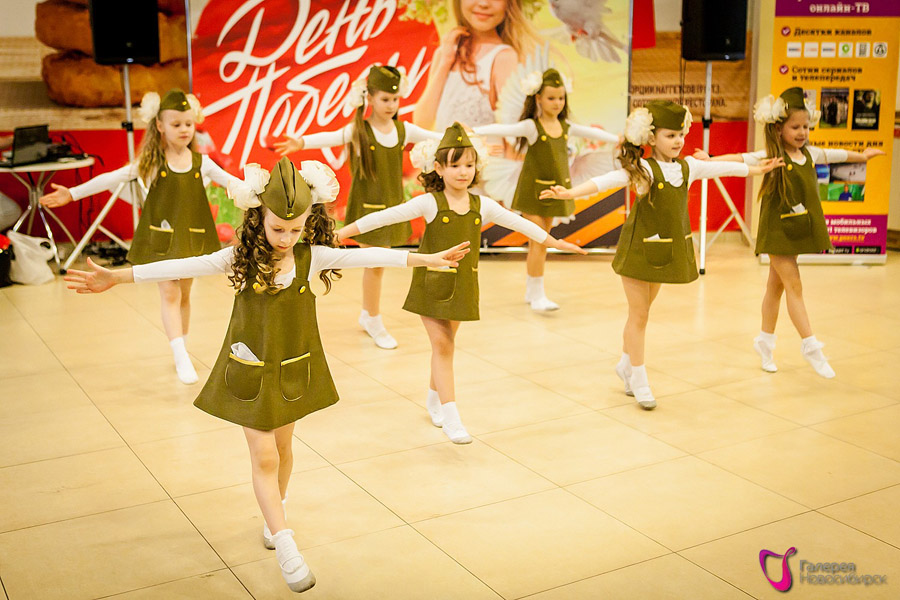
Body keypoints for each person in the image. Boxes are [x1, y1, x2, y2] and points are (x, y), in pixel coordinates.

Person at [62, 157, 469, 593]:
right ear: (259, 218)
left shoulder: (312, 257)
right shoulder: (237, 258)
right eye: (278, 229)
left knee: (284, 450)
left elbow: (370, 254)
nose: (286, 239)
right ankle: (287, 544)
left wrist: (426, 258)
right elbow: (180, 266)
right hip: (249, 371)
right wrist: (118, 277)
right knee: (265, 457)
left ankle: (275, 513)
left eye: (295, 230)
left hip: (292, 369)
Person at [336, 123, 586, 443]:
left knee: (445, 346)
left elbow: (521, 224)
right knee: (443, 346)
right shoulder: (429, 203)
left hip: (464, 285)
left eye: (469, 165)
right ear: (439, 168)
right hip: (430, 285)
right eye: (455, 165)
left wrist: (555, 242)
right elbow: (384, 217)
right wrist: (342, 233)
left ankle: (434, 399)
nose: (463, 172)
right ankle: (452, 417)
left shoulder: (483, 205)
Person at [542, 101, 781, 408]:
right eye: (670, 135)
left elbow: (722, 168)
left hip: (664, 249)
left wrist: (757, 170)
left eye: (681, 134)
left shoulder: (688, 167)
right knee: (639, 315)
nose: (678, 141)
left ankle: (625, 365)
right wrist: (569, 193)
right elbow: (605, 182)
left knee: (641, 314)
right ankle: (639, 379)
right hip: (638, 250)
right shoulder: (642, 169)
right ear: (651, 138)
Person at [41, 89, 243, 384]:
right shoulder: (151, 162)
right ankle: (180, 355)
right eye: (176, 124)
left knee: (185, 294)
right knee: (170, 292)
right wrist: (72, 193)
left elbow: (234, 184)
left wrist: (265, 191)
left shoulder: (203, 163)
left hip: (193, 237)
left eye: (189, 124)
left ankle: (182, 345)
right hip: (161, 239)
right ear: (160, 125)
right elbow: (111, 178)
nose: (184, 129)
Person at [698, 87, 885, 378]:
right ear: (779, 128)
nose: (802, 133)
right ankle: (811, 346)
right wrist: (710, 160)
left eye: (805, 127)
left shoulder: (810, 154)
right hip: (777, 231)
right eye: (795, 127)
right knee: (794, 285)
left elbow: (835, 154)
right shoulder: (772, 156)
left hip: (796, 228)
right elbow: (742, 158)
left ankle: (764, 343)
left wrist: (863, 157)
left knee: (775, 288)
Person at [275, 65, 442, 350]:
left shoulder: (404, 130)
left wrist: (467, 135)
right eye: (385, 99)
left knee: (377, 265)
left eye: (395, 99)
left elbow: (435, 137)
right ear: (370, 98)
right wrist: (301, 142)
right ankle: (372, 318)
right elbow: (332, 136)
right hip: (367, 208)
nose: (391, 105)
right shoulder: (359, 130)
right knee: (375, 264)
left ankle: (369, 315)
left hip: (392, 208)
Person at [474, 68, 618, 311]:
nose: (557, 103)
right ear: (538, 98)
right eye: (551, 98)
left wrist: (618, 139)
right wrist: (473, 131)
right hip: (532, 194)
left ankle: (533, 292)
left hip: (554, 193)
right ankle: (537, 294)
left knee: (540, 243)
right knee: (540, 242)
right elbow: (504, 129)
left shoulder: (566, 127)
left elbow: (592, 133)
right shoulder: (532, 127)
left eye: (561, 98)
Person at [413, 0, 540, 131]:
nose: (484, 4)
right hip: (441, 144)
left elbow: (512, 131)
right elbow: (421, 123)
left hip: (482, 145)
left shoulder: (504, 57)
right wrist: (445, 62)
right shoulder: (445, 53)